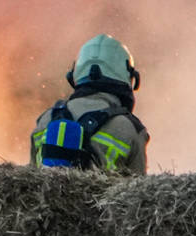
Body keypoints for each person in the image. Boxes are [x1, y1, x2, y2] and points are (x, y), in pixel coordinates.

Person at [31, 34, 148, 174]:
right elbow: (138, 190)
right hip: (102, 197)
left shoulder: (46, 119)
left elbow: (31, 183)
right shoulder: (130, 128)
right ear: (129, 77)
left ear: (74, 74)